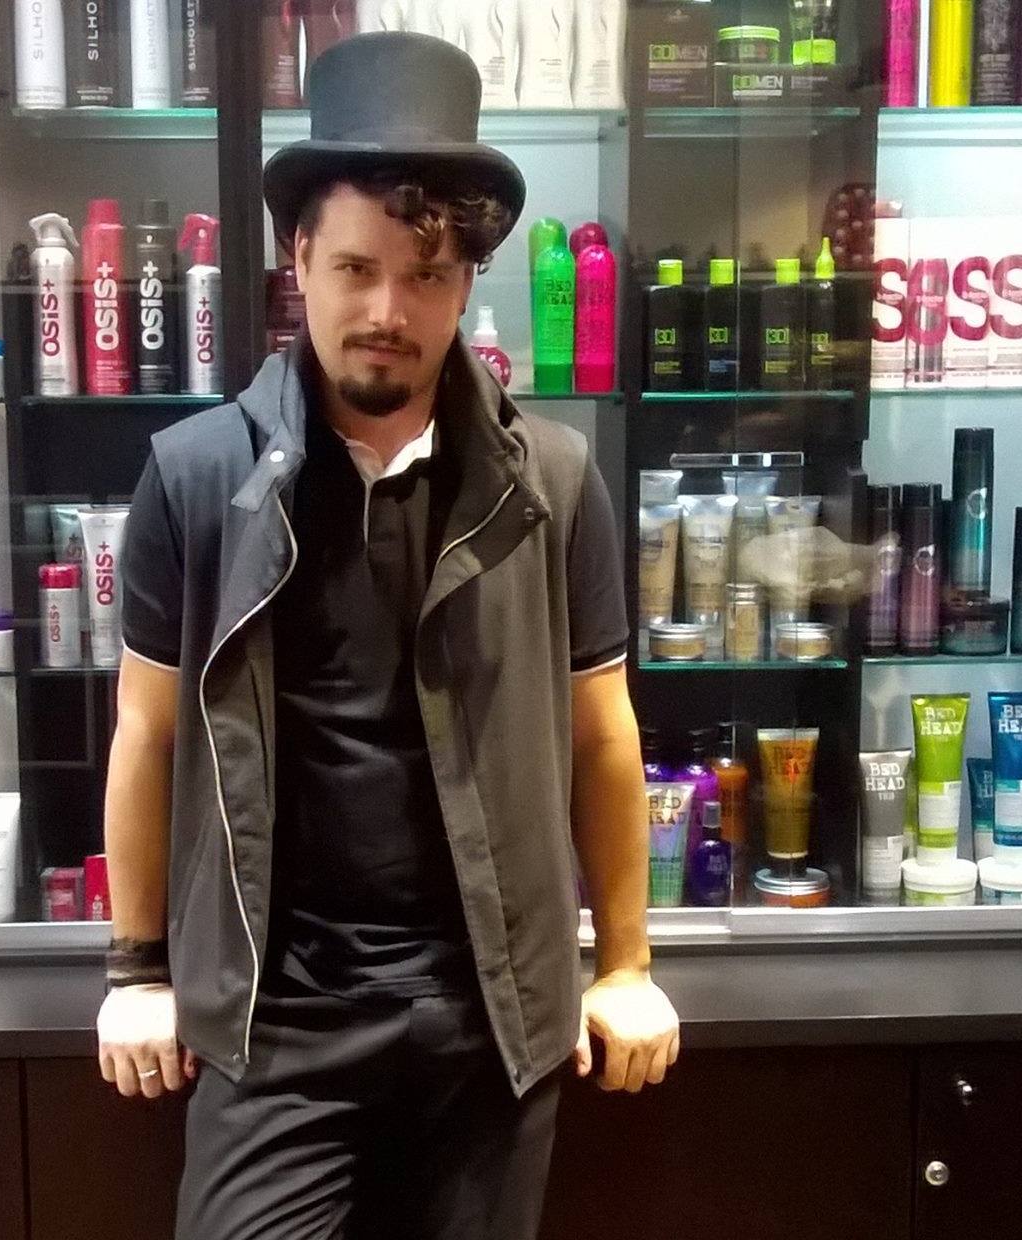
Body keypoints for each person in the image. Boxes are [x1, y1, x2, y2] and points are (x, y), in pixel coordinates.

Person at [96, 30, 679, 1240]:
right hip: (277, 1023)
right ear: (299, 259)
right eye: (355, 267)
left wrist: (624, 963)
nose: (385, 310)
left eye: (424, 275)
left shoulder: (551, 483)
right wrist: (136, 970)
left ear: (465, 283)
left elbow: (601, 733)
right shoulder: (195, 480)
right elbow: (147, 735)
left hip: (488, 1020)